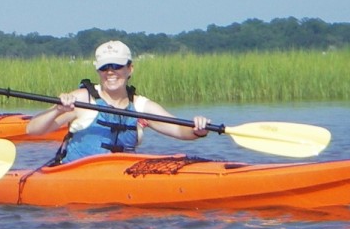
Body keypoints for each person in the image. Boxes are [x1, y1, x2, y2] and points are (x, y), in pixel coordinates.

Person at [25, 40, 212, 163]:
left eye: (117, 66)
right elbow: (32, 129)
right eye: (105, 67)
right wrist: (57, 110)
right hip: (76, 179)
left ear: (130, 69)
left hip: (124, 178)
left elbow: (179, 130)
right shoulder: (82, 98)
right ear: (98, 71)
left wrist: (198, 130)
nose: (110, 72)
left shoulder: (141, 106)